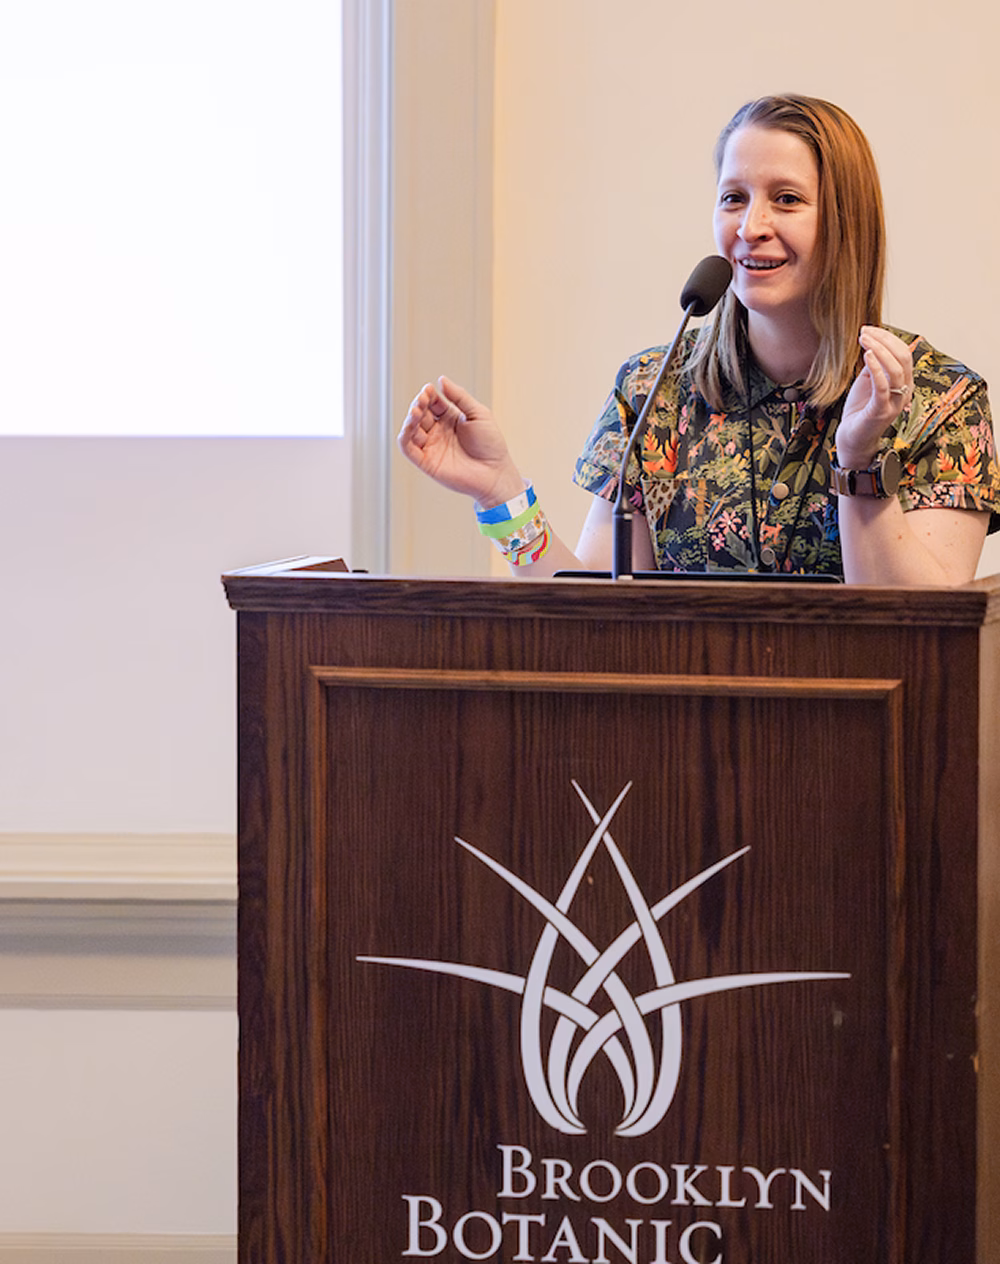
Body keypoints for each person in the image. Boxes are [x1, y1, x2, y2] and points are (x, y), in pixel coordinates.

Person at [398, 94, 1000, 586]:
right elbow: (596, 618)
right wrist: (500, 491)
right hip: (684, 731)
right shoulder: (652, 390)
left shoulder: (941, 399)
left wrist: (861, 464)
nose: (750, 227)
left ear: (847, 221)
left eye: (786, 200)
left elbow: (922, 641)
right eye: (733, 198)